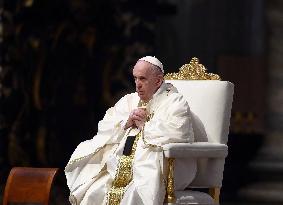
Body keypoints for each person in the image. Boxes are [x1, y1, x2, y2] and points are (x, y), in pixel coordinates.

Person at [65, 56, 196, 205]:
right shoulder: (129, 100)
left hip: (153, 169)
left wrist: (145, 125)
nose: (137, 85)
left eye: (143, 79)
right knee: (94, 191)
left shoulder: (174, 102)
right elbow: (104, 125)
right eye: (135, 78)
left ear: (158, 81)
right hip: (119, 168)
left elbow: (179, 131)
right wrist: (126, 123)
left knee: (135, 195)